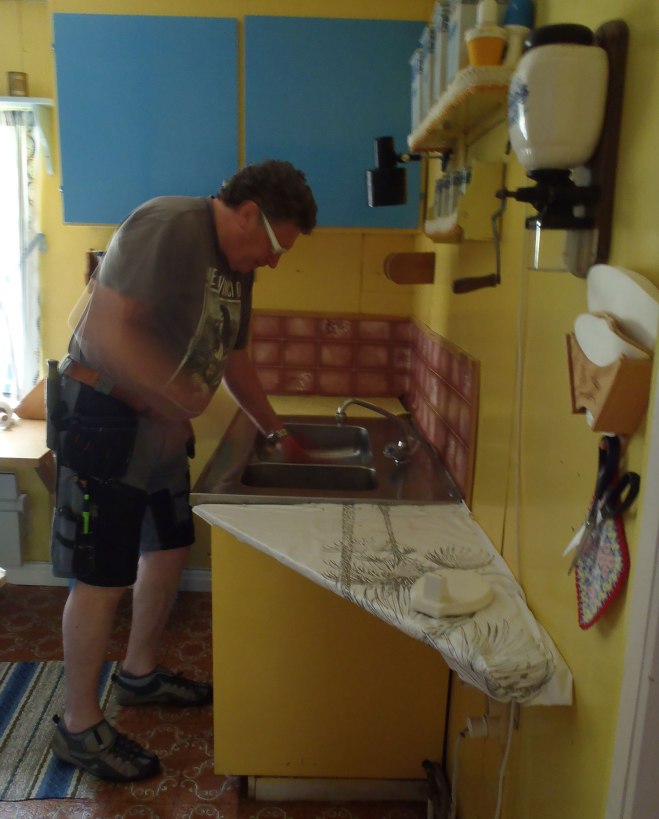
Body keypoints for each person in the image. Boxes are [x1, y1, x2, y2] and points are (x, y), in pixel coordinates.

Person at [48, 160, 318, 782]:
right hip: (105, 419)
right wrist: (176, 402)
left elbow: (234, 356)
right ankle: (78, 725)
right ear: (248, 214)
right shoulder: (169, 225)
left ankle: (138, 674)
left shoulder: (238, 267)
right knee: (101, 573)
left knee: (168, 544)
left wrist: (274, 429)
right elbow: (105, 330)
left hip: (160, 425)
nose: (275, 262)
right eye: (276, 246)